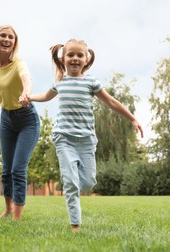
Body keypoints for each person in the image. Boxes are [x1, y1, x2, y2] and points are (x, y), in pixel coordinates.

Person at [28, 39, 144, 232]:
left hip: (86, 141)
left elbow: (112, 102)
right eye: (71, 55)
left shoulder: (91, 82)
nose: (75, 58)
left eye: (79, 55)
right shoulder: (60, 82)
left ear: (86, 58)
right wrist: (29, 97)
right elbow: (45, 96)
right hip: (64, 138)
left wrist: (132, 119)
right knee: (72, 183)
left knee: (89, 182)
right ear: (63, 59)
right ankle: (75, 225)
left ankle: (69, 184)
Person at [0, 25, 40, 221]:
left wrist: (26, 91)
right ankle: (8, 208)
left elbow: (26, 78)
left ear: (14, 42)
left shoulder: (19, 63)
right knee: (6, 171)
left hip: (27, 118)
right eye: (3, 35)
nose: (7, 39)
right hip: (6, 119)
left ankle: (17, 217)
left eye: (11, 37)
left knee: (18, 169)